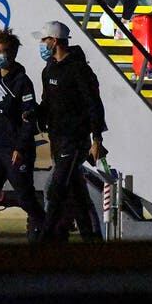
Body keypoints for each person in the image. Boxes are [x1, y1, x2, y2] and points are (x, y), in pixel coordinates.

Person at [31, 21, 107, 242]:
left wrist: (96, 139)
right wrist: (34, 115)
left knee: (55, 190)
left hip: (74, 140)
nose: (42, 45)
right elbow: (47, 102)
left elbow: (94, 104)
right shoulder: (49, 69)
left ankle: (46, 239)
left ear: (54, 41)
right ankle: (92, 240)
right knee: (78, 195)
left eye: (44, 41)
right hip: (57, 138)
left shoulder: (78, 69)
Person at [0, 28, 46, 244]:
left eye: (2, 52)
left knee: (25, 198)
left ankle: (47, 229)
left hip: (14, 150)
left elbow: (28, 119)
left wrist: (20, 148)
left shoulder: (22, 81)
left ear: (12, 53)